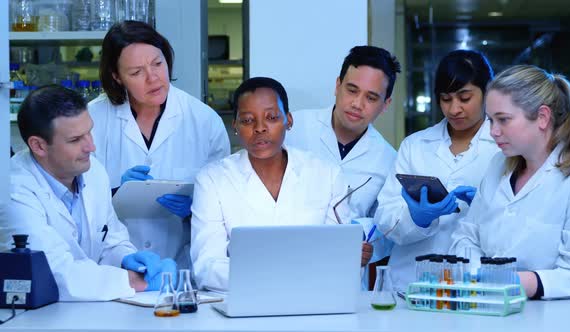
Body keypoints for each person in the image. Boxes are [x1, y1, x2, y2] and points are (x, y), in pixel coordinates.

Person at [1, 85, 176, 301]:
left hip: (87, 312)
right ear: (38, 146)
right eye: (75, 140)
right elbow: (52, 273)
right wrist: (137, 282)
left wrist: (127, 258)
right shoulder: (14, 191)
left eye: (89, 132)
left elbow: (111, 239)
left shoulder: (92, 171)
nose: (91, 147)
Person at [190, 77, 366, 292]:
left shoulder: (326, 174)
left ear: (289, 120)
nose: (260, 128)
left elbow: (340, 256)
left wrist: (353, 254)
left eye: (272, 117)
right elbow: (207, 268)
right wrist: (287, 275)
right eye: (247, 120)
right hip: (243, 306)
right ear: (234, 125)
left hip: (313, 305)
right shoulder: (212, 180)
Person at [88, 21, 230, 269]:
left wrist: (197, 208)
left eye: (157, 63)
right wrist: (111, 193)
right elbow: (75, 199)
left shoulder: (204, 121)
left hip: (182, 267)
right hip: (114, 267)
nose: (152, 78)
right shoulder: (92, 120)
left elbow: (226, 204)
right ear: (116, 77)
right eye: (136, 72)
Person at [450, 65, 570, 299]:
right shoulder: (497, 166)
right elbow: (465, 236)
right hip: (488, 310)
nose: (493, 132)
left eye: (503, 120)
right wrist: (477, 272)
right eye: (490, 120)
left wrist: (511, 281)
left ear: (543, 118)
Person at [373, 50, 498, 291]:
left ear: (487, 92)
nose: (454, 109)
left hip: (475, 285)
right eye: (446, 98)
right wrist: (417, 218)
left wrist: (486, 208)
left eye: (464, 97)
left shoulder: (503, 148)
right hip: (411, 283)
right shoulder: (415, 145)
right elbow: (386, 217)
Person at [285, 46, 400, 219]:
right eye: (352, 90)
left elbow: (380, 226)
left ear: (385, 104)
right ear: (338, 86)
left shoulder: (388, 160)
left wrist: (364, 233)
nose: (357, 104)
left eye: (371, 98)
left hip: (348, 246)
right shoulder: (292, 128)